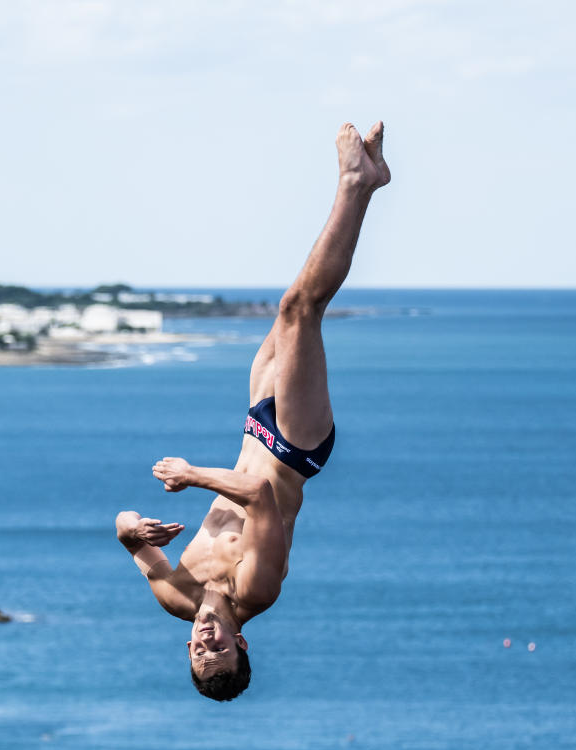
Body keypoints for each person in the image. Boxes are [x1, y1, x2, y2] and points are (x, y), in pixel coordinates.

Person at [115, 121, 390, 701]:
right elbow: (261, 497)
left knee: (296, 304)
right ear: (242, 644)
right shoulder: (256, 590)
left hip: (254, 427)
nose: (204, 639)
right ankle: (353, 181)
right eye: (217, 649)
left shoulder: (175, 596)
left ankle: (364, 185)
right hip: (294, 445)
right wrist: (190, 476)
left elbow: (125, 533)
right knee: (299, 308)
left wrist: (132, 530)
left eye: (196, 650)